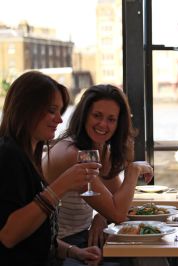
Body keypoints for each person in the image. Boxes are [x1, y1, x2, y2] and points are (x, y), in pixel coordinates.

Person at [42, 84, 155, 266]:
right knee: (141, 257)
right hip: (58, 248)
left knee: (148, 255)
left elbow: (118, 204)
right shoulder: (73, 153)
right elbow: (118, 213)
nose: (103, 124)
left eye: (111, 119)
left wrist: (100, 216)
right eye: (97, 116)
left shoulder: (100, 149)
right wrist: (133, 170)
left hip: (82, 239)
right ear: (84, 115)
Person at [0, 71, 102, 265]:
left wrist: (75, 252)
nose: (59, 119)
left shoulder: (29, 156)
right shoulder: (8, 156)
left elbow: (35, 236)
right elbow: (9, 236)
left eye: (60, 111)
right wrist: (61, 186)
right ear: (26, 109)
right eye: (51, 110)